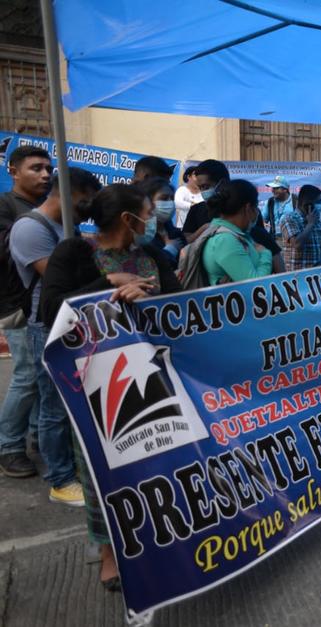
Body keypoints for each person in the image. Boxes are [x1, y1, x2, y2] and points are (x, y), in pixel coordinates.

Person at [41, 183, 182, 591]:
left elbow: (182, 301)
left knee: (156, 460)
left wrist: (148, 293)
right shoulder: (74, 252)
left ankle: (159, 538)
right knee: (100, 467)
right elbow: (51, 311)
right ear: (128, 219)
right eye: (149, 211)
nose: (154, 218)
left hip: (156, 374)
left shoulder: (151, 255)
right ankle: (108, 552)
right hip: (96, 381)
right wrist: (109, 284)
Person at [9, 167, 100, 506]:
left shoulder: (67, 226)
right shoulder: (30, 228)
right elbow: (59, 277)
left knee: (67, 403)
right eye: (84, 199)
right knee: (54, 405)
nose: (87, 207)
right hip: (47, 325)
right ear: (70, 193)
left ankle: (65, 464)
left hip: (72, 322)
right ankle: (60, 480)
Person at [0, 146, 51, 478]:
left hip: (44, 305)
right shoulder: (6, 206)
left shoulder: (45, 207)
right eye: (36, 168)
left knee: (44, 376)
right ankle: (9, 447)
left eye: (48, 168)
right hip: (15, 304)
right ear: (14, 171)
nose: (45, 174)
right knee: (27, 376)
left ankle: (38, 439)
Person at [181, 160, 283, 271]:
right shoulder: (197, 211)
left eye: (206, 186)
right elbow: (185, 242)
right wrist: (205, 229)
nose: (203, 192)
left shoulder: (250, 220)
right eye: (200, 187)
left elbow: (274, 263)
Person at [201, 180, 275, 284]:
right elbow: (256, 285)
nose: (257, 212)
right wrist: (265, 254)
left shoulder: (235, 234)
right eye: (256, 206)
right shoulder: (225, 241)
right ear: (248, 208)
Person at [138, 177, 187, 267]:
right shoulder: (140, 235)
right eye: (164, 198)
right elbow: (145, 267)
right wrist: (170, 250)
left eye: (172, 198)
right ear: (147, 202)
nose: (170, 202)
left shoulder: (176, 234)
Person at [279, 184, 321, 271]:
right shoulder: (289, 219)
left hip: (315, 275)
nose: (320, 205)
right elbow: (297, 244)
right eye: (318, 202)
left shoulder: (316, 220)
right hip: (296, 276)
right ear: (308, 204)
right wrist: (310, 225)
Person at [264, 175, 293, 241]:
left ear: (285, 189)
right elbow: (262, 219)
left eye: (276, 188)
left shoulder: (295, 201)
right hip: (274, 240)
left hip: (292, 241)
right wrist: (264, 224)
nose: (273, 190)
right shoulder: (270, 202)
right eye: (272, 188)